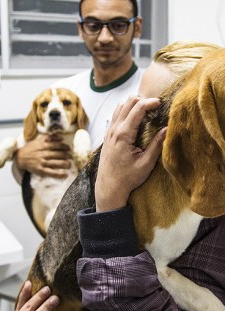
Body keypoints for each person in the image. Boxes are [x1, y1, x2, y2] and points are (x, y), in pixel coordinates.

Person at [8, 40, 225, 311]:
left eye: (152, 114)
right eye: (135, 105)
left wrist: (108, 199)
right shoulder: (166, 184)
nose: (131, 126)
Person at [12, 0, 143, 181]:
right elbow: (26, 180)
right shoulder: (59, 93)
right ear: (81, 29)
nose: (104, 37)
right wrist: (20, 160)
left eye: (118, 25)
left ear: (136, 27)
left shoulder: (149, 93)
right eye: (93, 25)